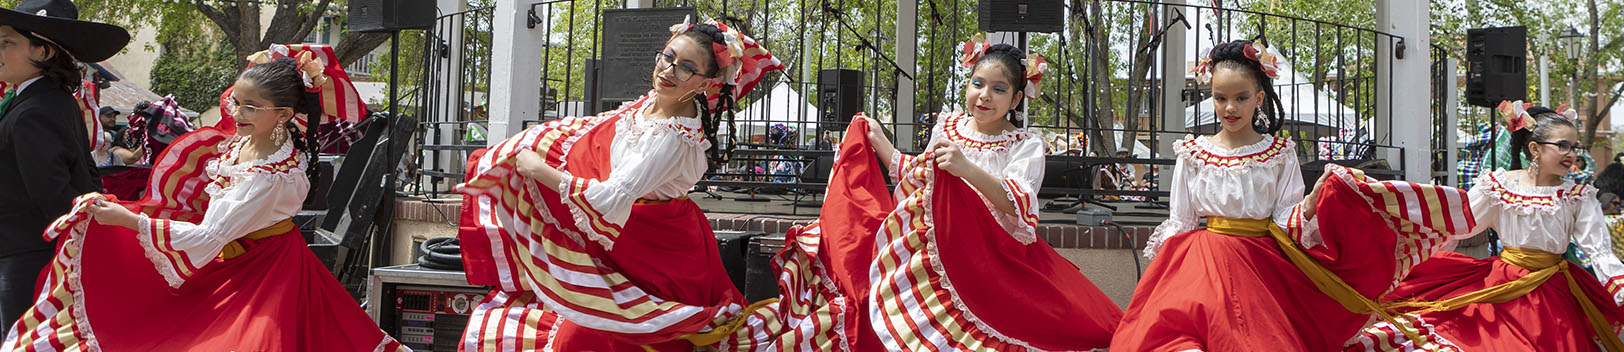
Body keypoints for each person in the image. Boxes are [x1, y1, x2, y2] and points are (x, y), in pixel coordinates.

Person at [728, 36, 1123, 351]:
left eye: (998, 89)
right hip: (941, 245)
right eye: (977, 84)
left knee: (1065, 323)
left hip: (994, 254)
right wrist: (880, 142)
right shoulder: (948, 127)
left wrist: (966, 170)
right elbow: (918, 179)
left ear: (1016, 99)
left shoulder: (1024, 144)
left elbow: (1018, 205)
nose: (984, 95)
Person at [3, 44, 402, 351]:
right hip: (241, 259)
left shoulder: (272, 175)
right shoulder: (244, 147)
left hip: (266, 271)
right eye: (236, 102)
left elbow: (210, 235)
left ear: (282, 115)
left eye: (251, 107)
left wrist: (128, 220)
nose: (238, 112)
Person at [1109, 40, 1472, 351]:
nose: (1230, 107)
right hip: (1199, 263)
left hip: (1261, 265)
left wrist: (1313, 202)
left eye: (1241, 97)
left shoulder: (1279, 152)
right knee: (1185, 336)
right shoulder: (1193, 151)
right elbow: (1182, 220)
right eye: (1220, 98)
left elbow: (1286, 218)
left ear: (1259, 98)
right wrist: (1160, 277)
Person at [455, 18, 782, 351]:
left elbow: (610, 198)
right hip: (634, 241)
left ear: (705, 84)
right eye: (667, 57)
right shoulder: (655, 101)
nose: (668, 70)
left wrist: (537, 169)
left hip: (656, 256)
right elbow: (590, 131)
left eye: (686, 68)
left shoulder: (671, 138)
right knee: (583, 327)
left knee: (600, 334)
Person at [1347, 102, 1624, 351]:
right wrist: (1378, 199)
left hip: (1552, 293)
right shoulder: (1499, 185)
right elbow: (1459, 219)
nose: (1572, 155)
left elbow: (1600, 252)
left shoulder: (1578, 195)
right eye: (1562, 146)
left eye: (1574, 147)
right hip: (1499, 287)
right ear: (1535, 149)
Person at [0, 0, 126, 324]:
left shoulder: (33, 111)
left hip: (28, 256)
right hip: (36, 251)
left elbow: (52, 194)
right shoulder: (47, 100)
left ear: (43, 52)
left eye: (7, 43)